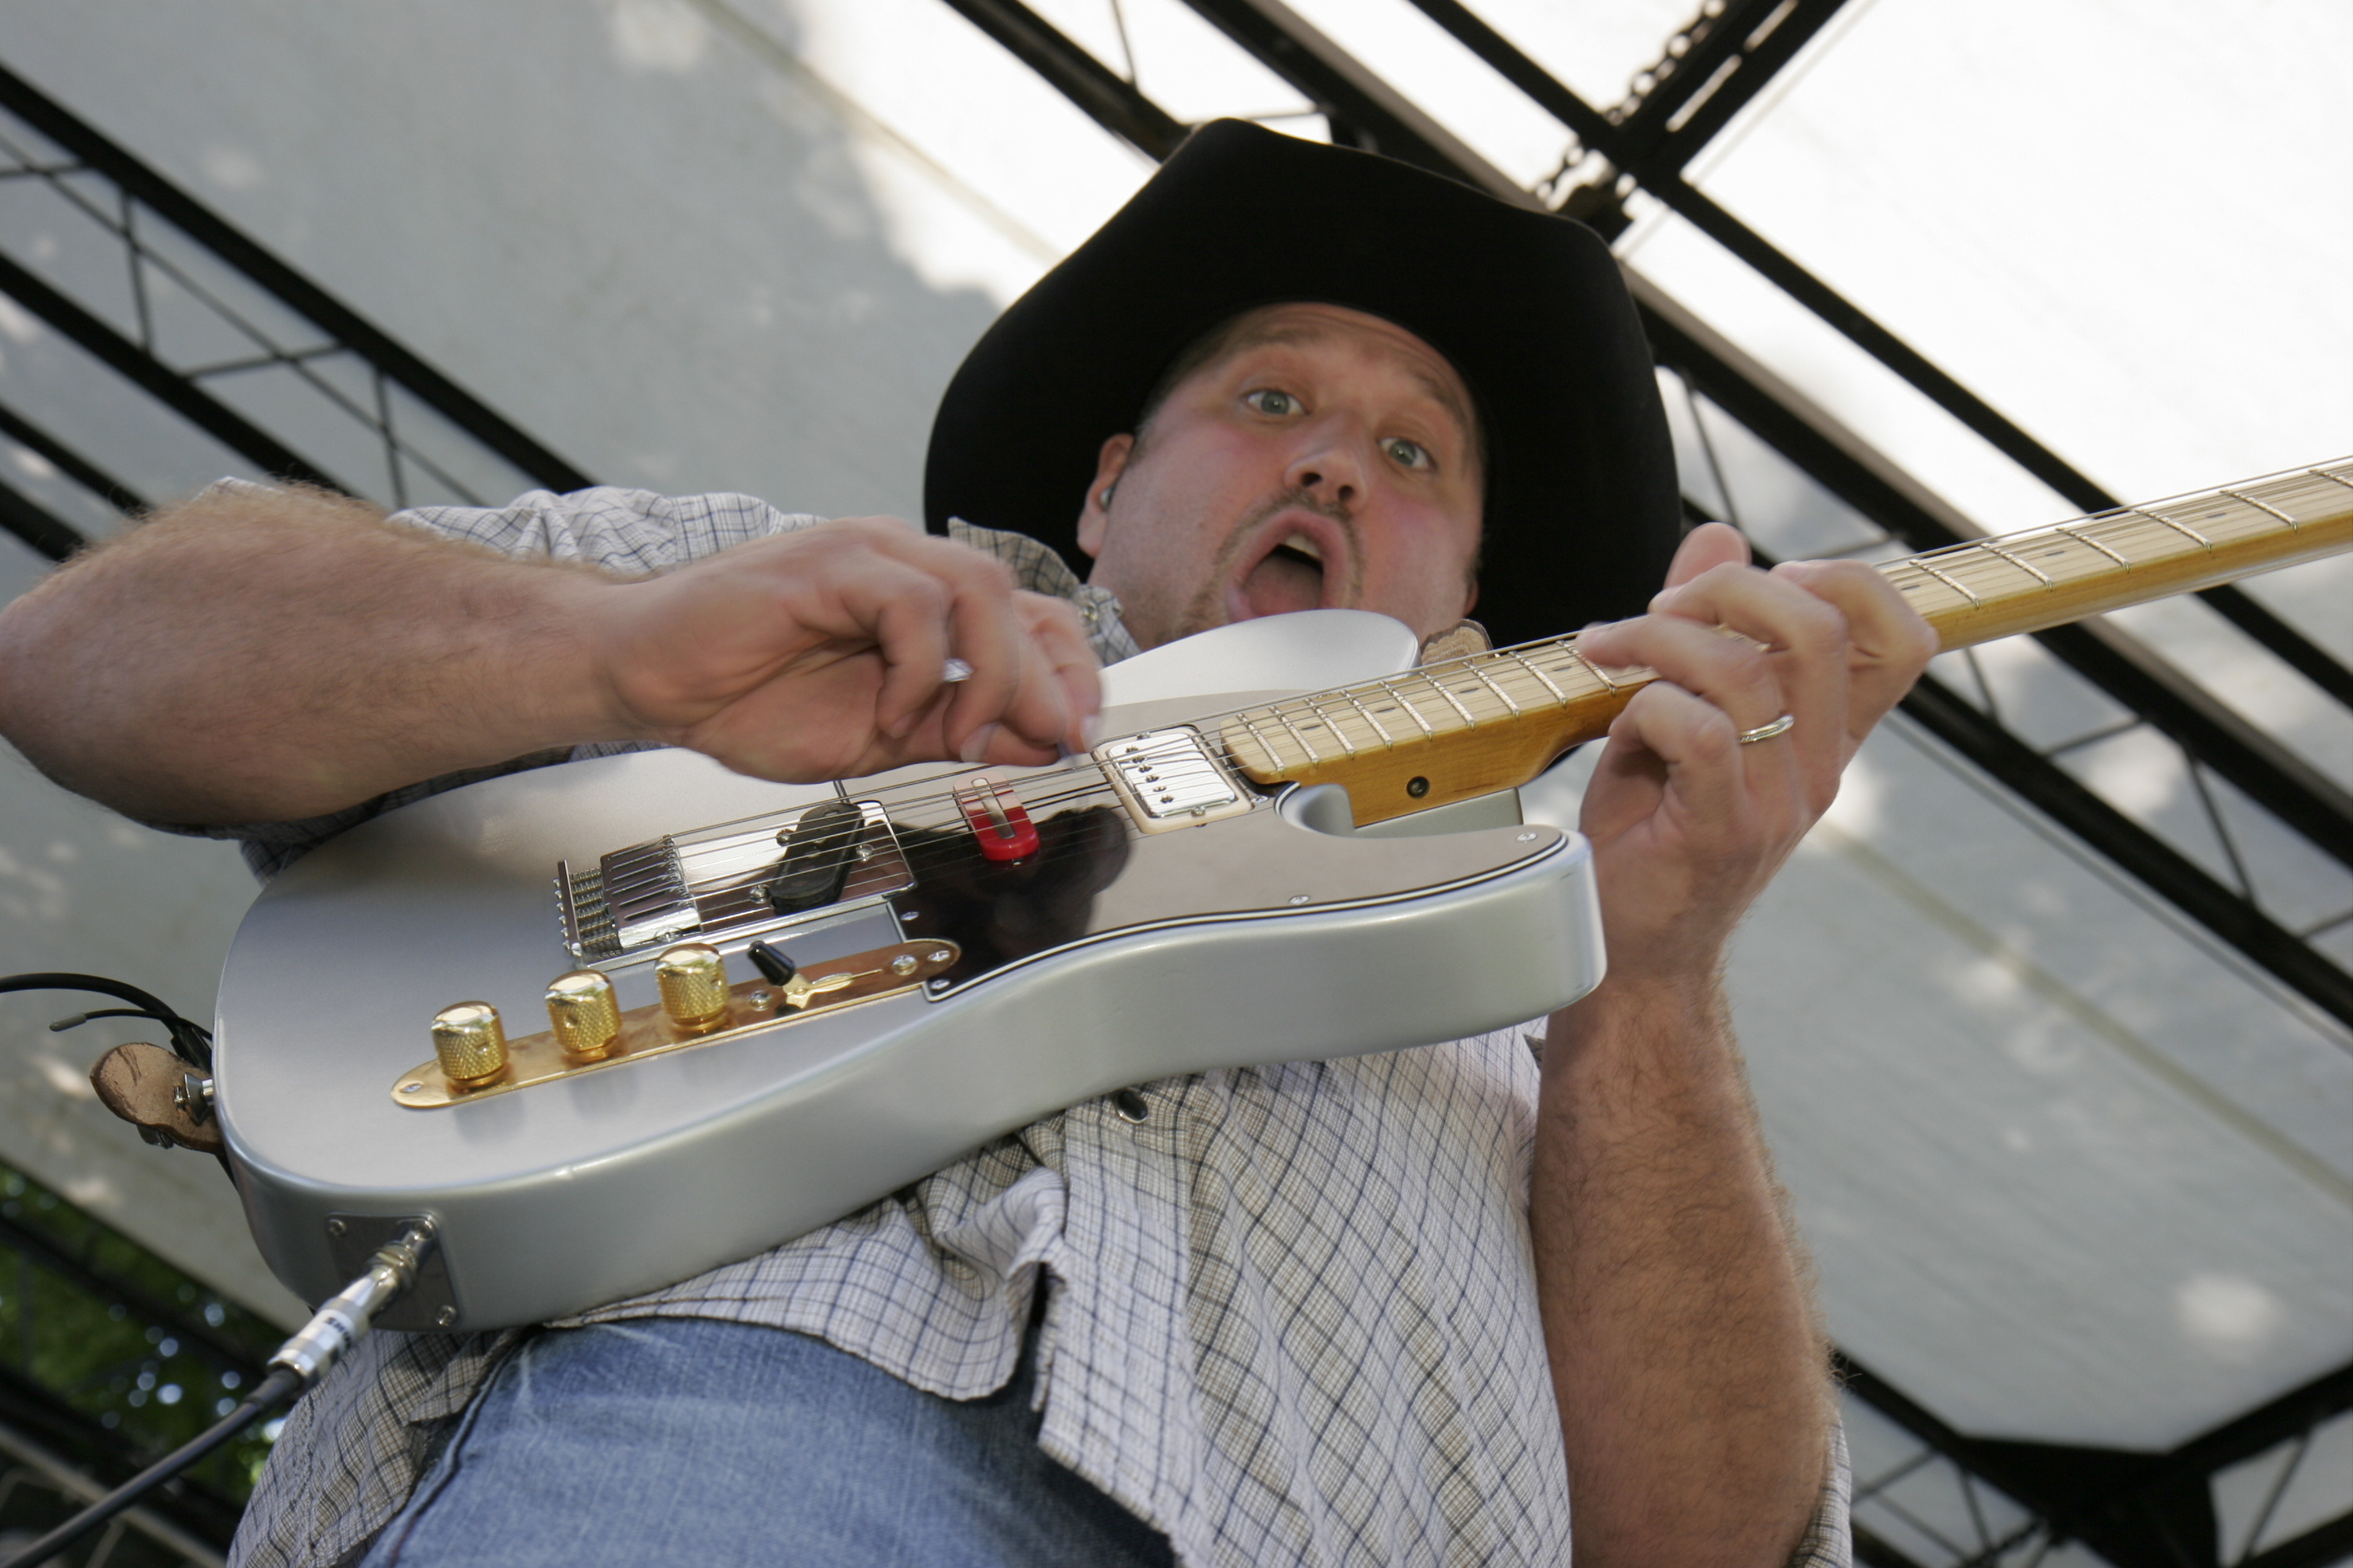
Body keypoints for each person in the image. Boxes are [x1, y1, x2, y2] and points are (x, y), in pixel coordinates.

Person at [0, 122, 1934, 1566]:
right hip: (741, 1453)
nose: (1338, 462)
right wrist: (596, 651)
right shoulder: (771, 602)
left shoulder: (1545, 930)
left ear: (1475, 596)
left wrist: (1652, 981)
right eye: (1271, 400)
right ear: (1105, 490)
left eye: (1416, 453)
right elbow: (82, 662)